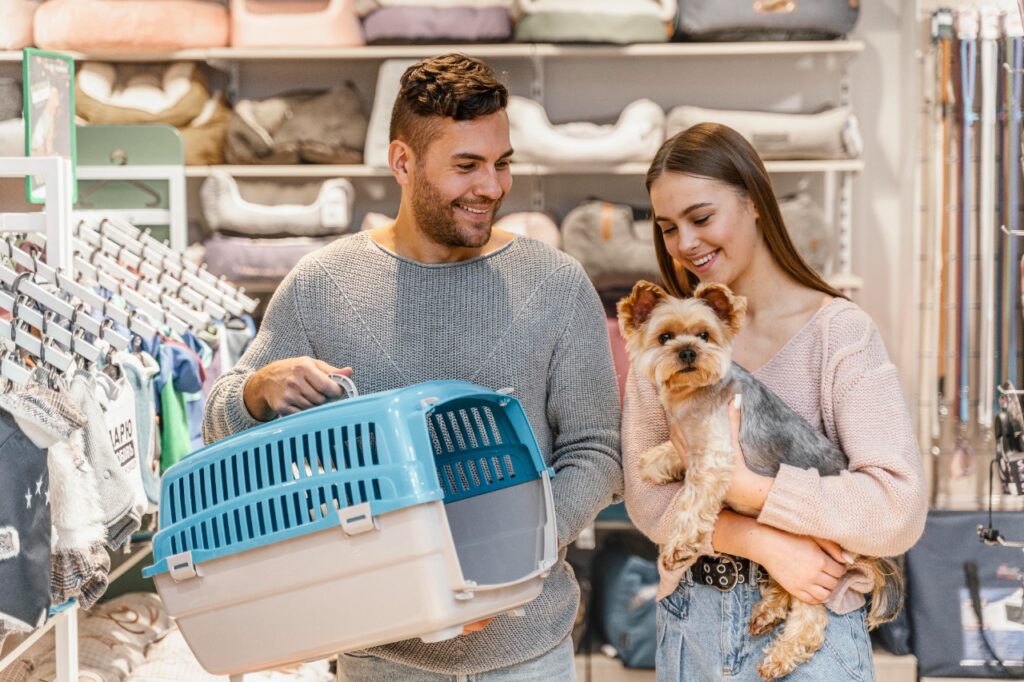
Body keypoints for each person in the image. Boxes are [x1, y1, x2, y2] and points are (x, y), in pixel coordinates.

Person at [203, 53, 623, 680]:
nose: (492, 186)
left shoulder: (556, 284)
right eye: (466, 166)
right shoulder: (322, 285)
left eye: (502, 163)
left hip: (526, 655)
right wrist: (260, 390)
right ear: (402, 162)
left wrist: (502, 562)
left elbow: (597, 452)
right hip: (377, 655)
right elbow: (219, 427)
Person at [622, 123, 927, 681]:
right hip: (693, 623)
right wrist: (761, 542)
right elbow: (646, 500)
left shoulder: (840, 334)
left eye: (702, 217)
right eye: (667, 228)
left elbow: (896, 510)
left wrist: (751, 490)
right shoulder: (665, 347)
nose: (685, 243)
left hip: (816, 636)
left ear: (755, 200)